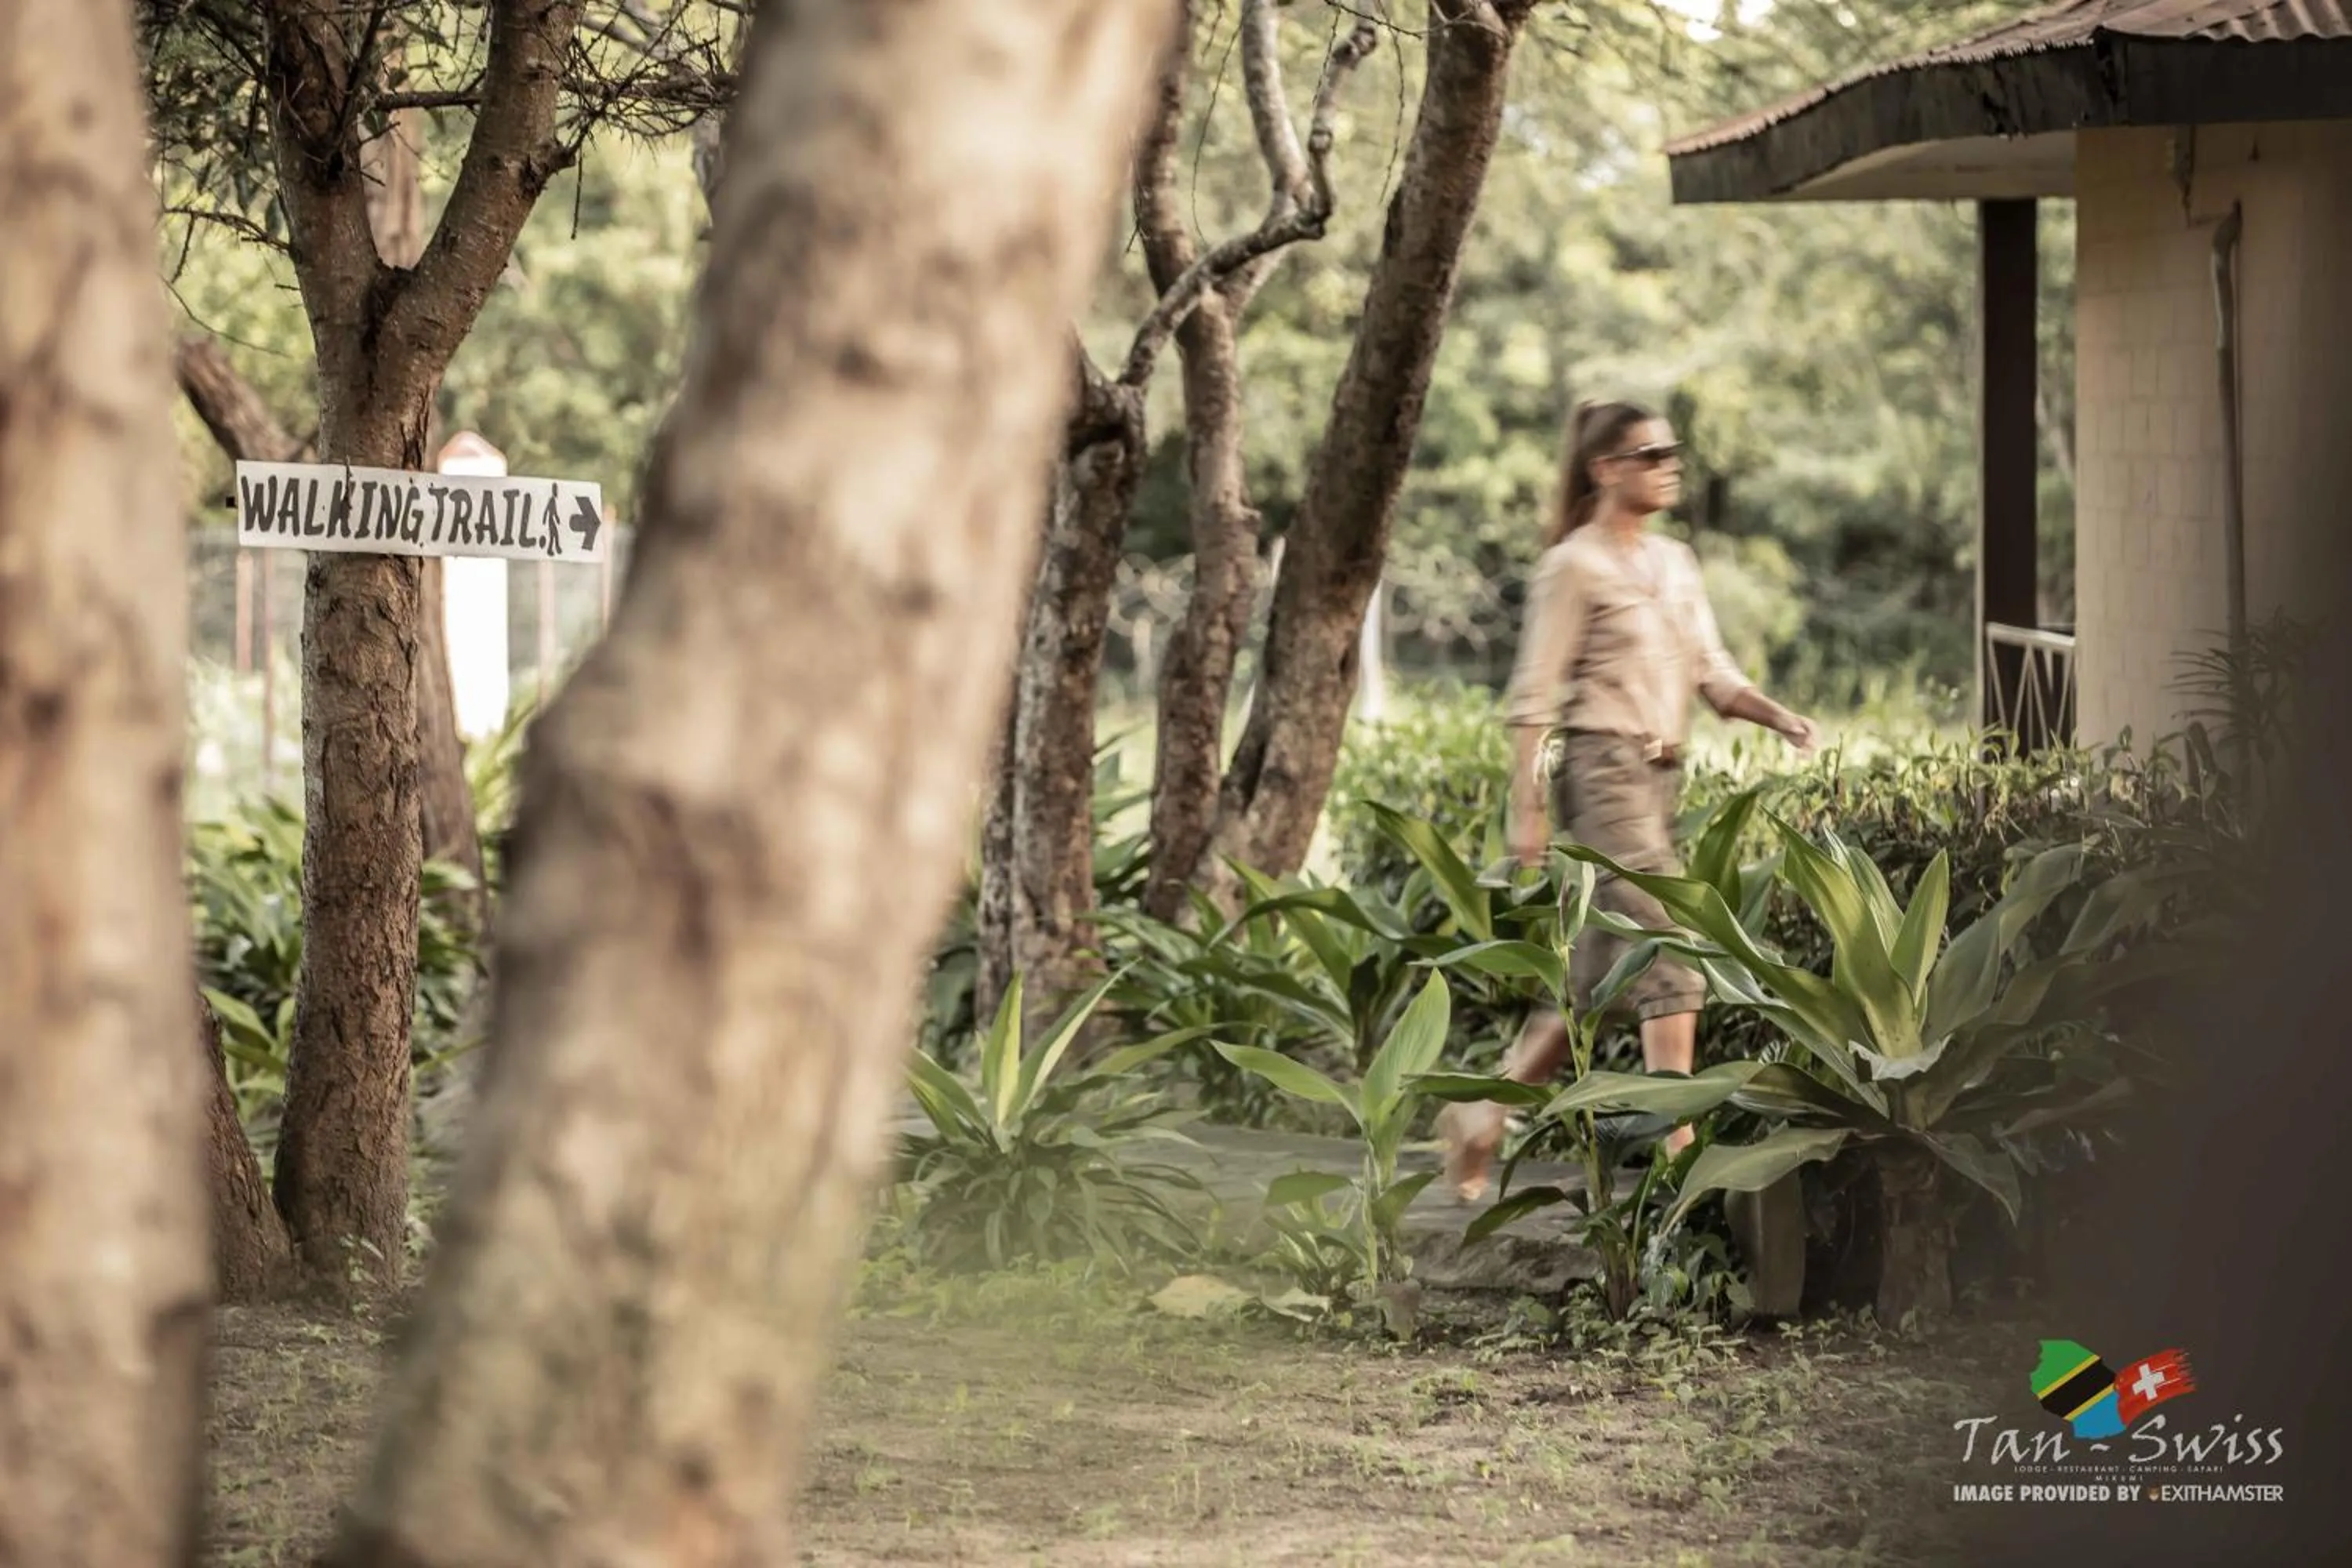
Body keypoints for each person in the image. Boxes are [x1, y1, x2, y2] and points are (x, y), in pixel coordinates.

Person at [1438, 400, 1819, 1201]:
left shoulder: (1675, 562)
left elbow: (1712, 670)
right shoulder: (1573, 566)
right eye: (1652, 453)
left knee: (1595, 984)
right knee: (1672, 946)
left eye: (1673, 450)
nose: (1669, 463)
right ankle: (1679, 1149)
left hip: (1658, 779)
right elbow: (1532, 699)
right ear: (1606, 468)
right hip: (1602, 774)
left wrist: (1777, 715)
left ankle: (1481, 1111)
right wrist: (1527, 812)